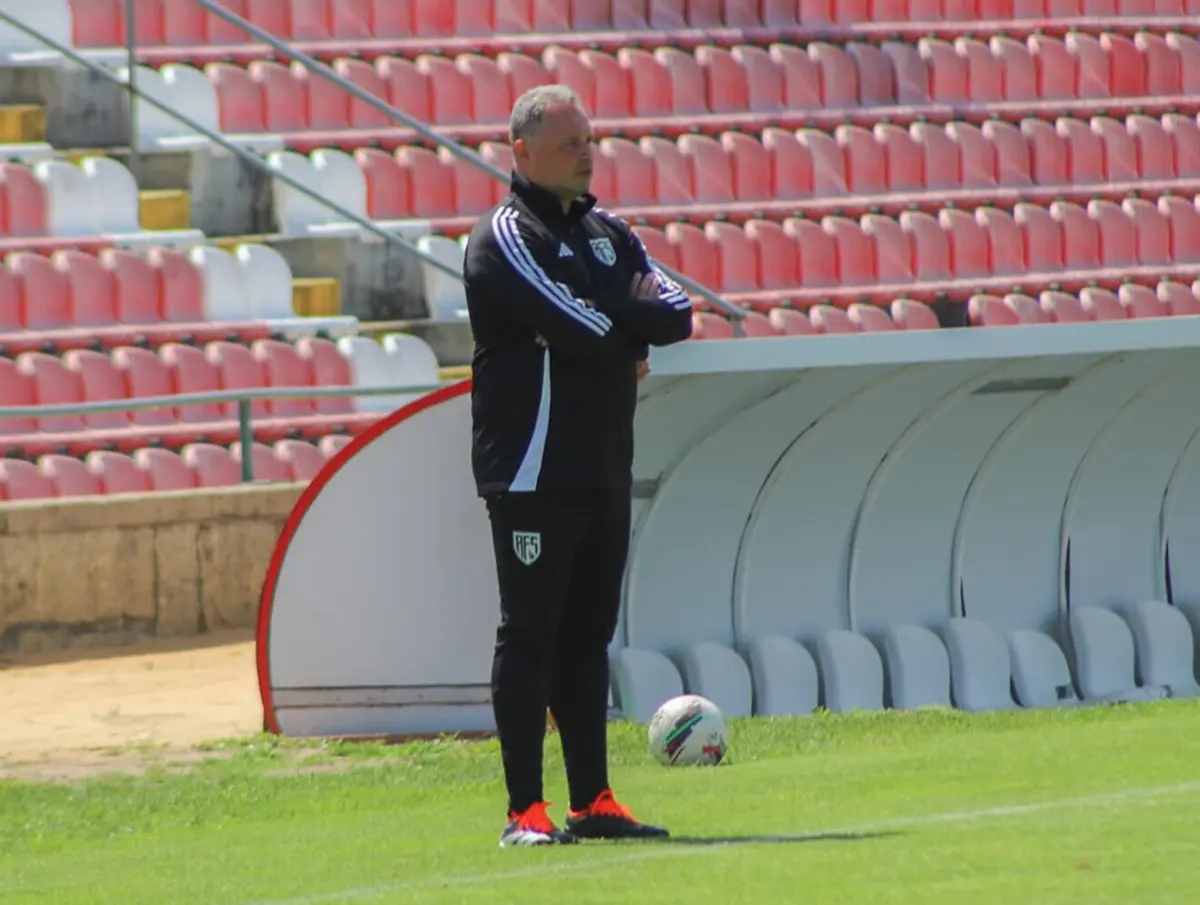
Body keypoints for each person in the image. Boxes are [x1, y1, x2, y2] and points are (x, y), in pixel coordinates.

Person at [462, 84, 695, 848]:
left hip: (601, 464)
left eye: (590, 141)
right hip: (531, 468)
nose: (586, 155)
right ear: (522, 151)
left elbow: (676, 313)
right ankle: (522, 810)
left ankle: (592, 800)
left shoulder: (610, 232)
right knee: (529, 632)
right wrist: (618, 328)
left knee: (588, 634)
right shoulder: (502, 236)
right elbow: (581, 323)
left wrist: (608, 323)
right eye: (569, 144)